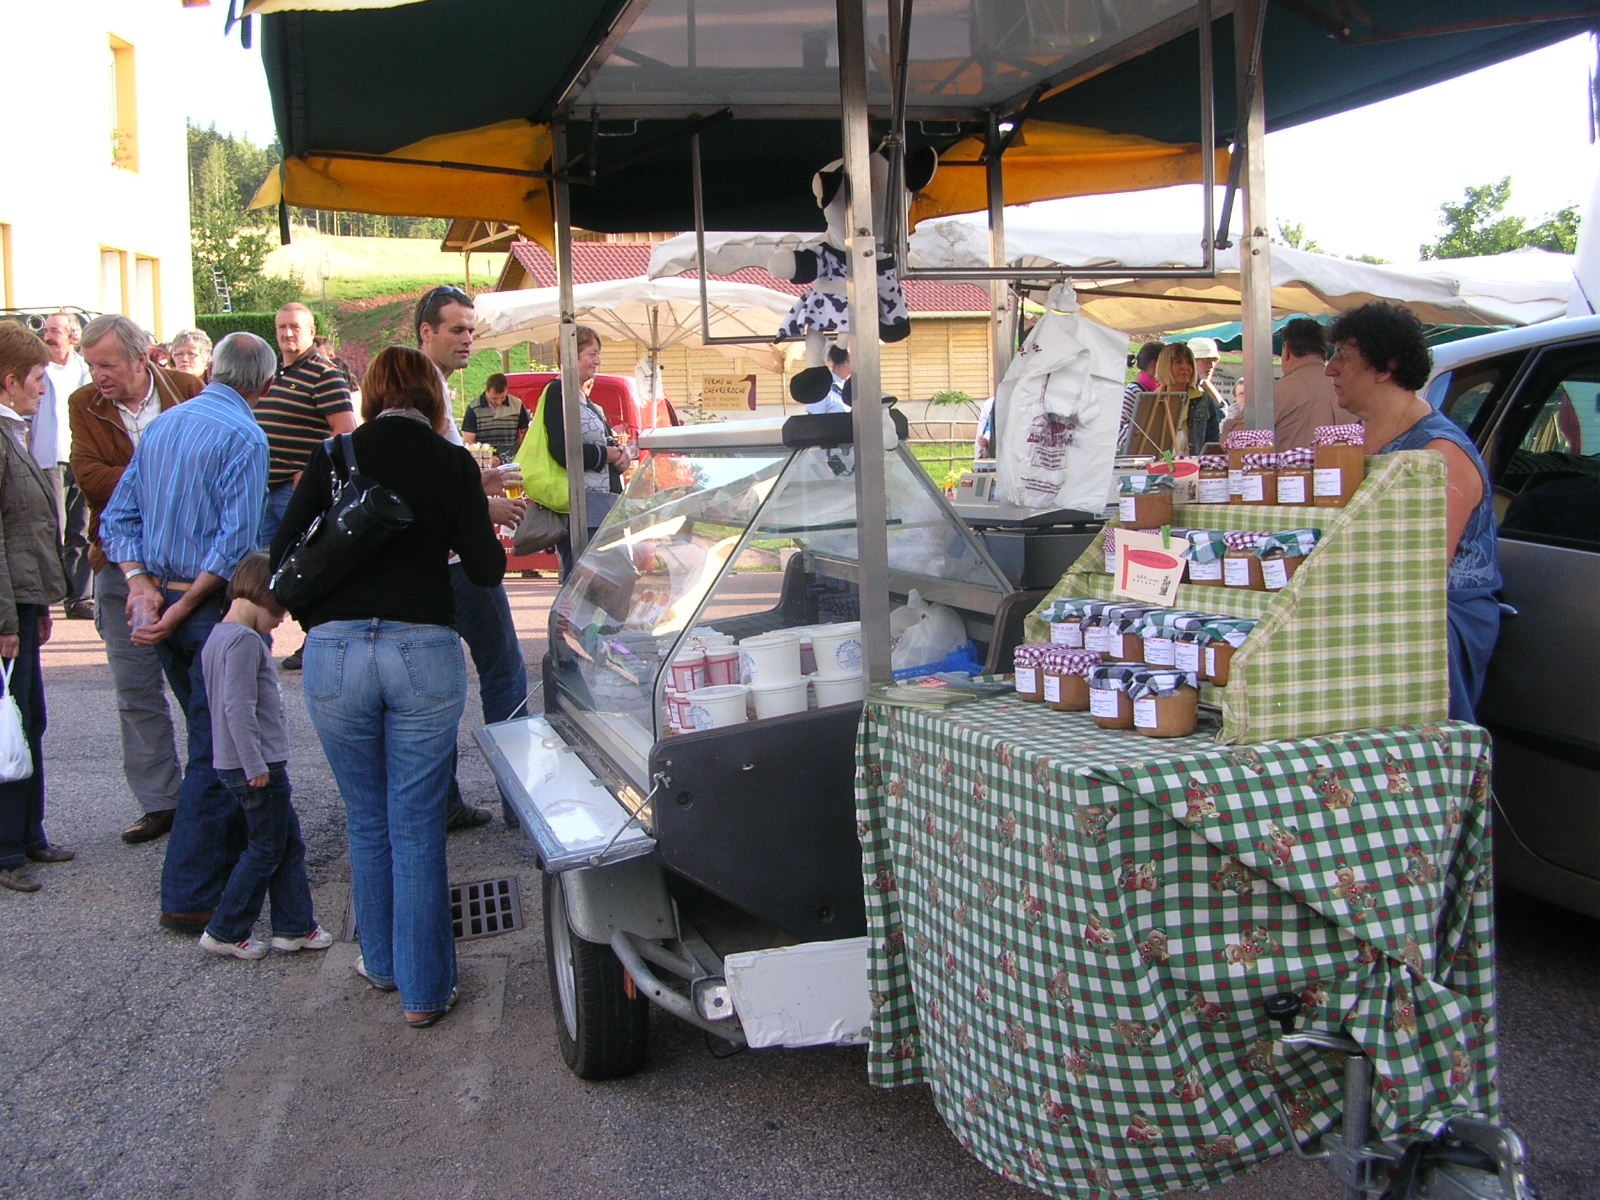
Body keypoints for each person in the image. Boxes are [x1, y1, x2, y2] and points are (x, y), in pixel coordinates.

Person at [271, 346, 505, 1027]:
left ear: (370, 394)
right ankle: (426, 991)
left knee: (367, 818)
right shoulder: (452, 461)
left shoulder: (333, 456)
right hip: (423, 649)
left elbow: (285, 555)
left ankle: (379, 961)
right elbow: (487, 571)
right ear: (433, 397)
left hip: (337, 652)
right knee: (417, 822)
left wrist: (326, 618)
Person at [100, 332, 273, 933]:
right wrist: (174, 602)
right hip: (202, 607)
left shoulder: (166, 425)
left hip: (170, 602)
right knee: (217, 745)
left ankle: (222, 867)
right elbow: (235, 544)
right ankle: (190, 892)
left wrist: (143, 583)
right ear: (265, 387)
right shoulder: (245, 435)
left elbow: (117, 519)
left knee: (211, 733)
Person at [1324, 301, 1501, 721]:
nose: (1330, 369)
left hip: (1437, 614)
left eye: (1344, 358)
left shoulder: (1440, 452)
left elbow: (1425, 571)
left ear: (1385, 367)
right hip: (1370, 600)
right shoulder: (1352, 444)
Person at [70, 315, 202, 846]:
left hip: (188, 568)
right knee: (136, 692)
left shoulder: (190, 391)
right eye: (91, 365)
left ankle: (210, 793)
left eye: (108, 364)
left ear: (143, 356)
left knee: (201, 687)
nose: (98, 375)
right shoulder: (84, 405)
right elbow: (88, 477)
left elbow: (212, 468)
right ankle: (161, 803)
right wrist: (162, 472)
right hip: (119, 568)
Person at [415, 285, 529, 830]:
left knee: (439, 688)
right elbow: (428, 487)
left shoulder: (425, 385)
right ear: (426, 333)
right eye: (457, 329)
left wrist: (477, 482)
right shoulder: (425, 390)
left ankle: (444, 801)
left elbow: (435, 475)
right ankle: (521, 805)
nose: (467, 339)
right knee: (503, 673)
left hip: (431, 564)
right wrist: (485, 505)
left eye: (470, 328)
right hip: (456, 562)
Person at [197, 552, 331, 960]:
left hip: (240, 762)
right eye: (281, 609)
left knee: (286, 844)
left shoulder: (218, 635)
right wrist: (255, 765)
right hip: (256, 766)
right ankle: (226, 929)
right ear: (265, 597)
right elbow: (237, 708)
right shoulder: (244, 641)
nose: (282, 620)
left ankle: (294, 926)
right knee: (266, 848)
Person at [0, 323, 71, 893]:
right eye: (37, 378)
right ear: (10, 380)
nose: (42, 389)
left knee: (30, 719)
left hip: (24, 602)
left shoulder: (13, 432)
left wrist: (42, 603)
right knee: (10, 724)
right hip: (6, 611)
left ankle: (29, 833)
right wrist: (5, 620)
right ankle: (7, 849)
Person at [541, 325, 628, 578]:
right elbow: (562, 450)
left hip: (601, 504)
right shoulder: (558, 392)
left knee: (614, 580)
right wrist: (608, 455)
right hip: (582, 507)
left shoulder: (581, 396)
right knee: (589, 584)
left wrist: (618, 455)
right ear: (571, 355)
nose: (598, 361)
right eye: (592, 353)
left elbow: (599, 441)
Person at [29, 313, 93, 620]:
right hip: (48, 457)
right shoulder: (38, 369)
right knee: (54, 526)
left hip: (81, 455)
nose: (49, 335)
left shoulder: (85, 370)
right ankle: (53, 593)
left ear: (72, 337)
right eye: (47, 329)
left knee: (82, 528)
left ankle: (80, 597)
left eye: (56, 330)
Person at [1273, 317, 1353, 449]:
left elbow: (1235, 442)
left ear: (1287, 349)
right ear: (1325, 352)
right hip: (1350, 468)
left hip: (1294, 469)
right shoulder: (1352, 390)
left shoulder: (1273, 394)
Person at [462, 372, 531, 461]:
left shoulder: (517, 405)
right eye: (494, 398)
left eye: (502, 397)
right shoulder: (473, 408)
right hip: (486, 462)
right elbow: (468, 441)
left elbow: (525, 432)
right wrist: (487, 457)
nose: (499, 402)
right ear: (487, 391)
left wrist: (521, 452)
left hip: (511, 460)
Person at [1185, 336, 1228, 452]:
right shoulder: (1180, 391)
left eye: (1214, 360)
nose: (1211, 365)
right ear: (1190, 361)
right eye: (1205, 359)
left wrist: (1205, 382)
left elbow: (1222, 416)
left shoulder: (1203, 391)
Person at [1119, 341, 1163, 452]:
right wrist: (1139, 442)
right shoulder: (1133, 391)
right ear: (1155, 364)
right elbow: (1115, 429)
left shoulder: (1165, 391)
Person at [826, 343, 852, 408]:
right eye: (850, 361)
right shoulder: (824, 386)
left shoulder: (851, 386)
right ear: (843, 362)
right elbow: (813, 415)